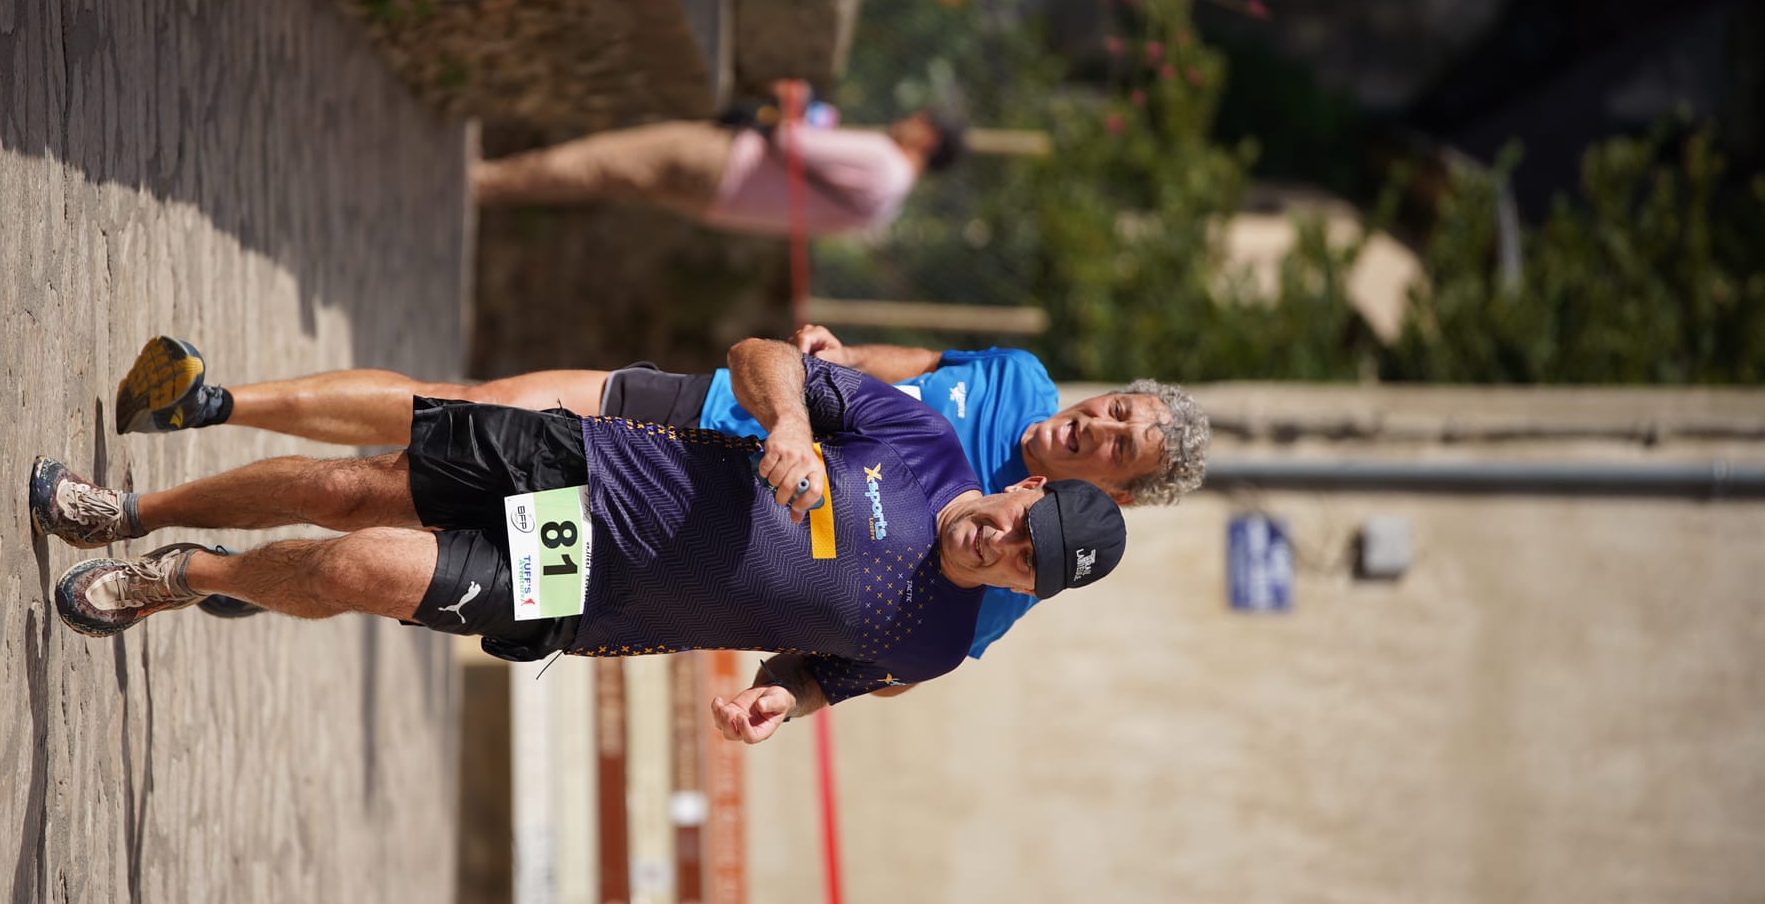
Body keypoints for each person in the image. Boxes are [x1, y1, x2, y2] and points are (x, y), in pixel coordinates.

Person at [34, 340, 1127, 744]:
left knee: (351, 566)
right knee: (350, 487)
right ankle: (131, 512)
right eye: (1022, 528)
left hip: (586, 586)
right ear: (1026, 489)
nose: (1001, 547)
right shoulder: (922, 437)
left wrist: (777, 704)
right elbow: (763, 355)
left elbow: (820, 672)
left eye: (1026, 566)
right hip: (590, 466)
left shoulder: (934, 640)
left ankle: (184, 579)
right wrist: (789, 423)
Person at [110, 326, 1208, 656]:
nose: (1100, 431)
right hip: (686, 424)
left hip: (627, 564)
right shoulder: (1007, 381)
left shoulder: (991, 592)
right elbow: (873, 371)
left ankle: (243, 572)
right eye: (1117, 413)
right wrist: (806, 381)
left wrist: (792, 695)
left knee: (369, 553)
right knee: (435, 416)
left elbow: (875, 659)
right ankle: (217, 405)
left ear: (1114, 489)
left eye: (1119, 453)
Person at [472, 106, 965, 236]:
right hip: (724, 205)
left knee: (602, 159)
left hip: (728, 161)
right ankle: (499, 186)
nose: (907, 121)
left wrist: (775, 113)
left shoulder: (883, 160)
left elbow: (794, 142)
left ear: (928, 138)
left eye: (919, 120)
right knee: (607, 178)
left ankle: (487, 181)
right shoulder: (886, 207)